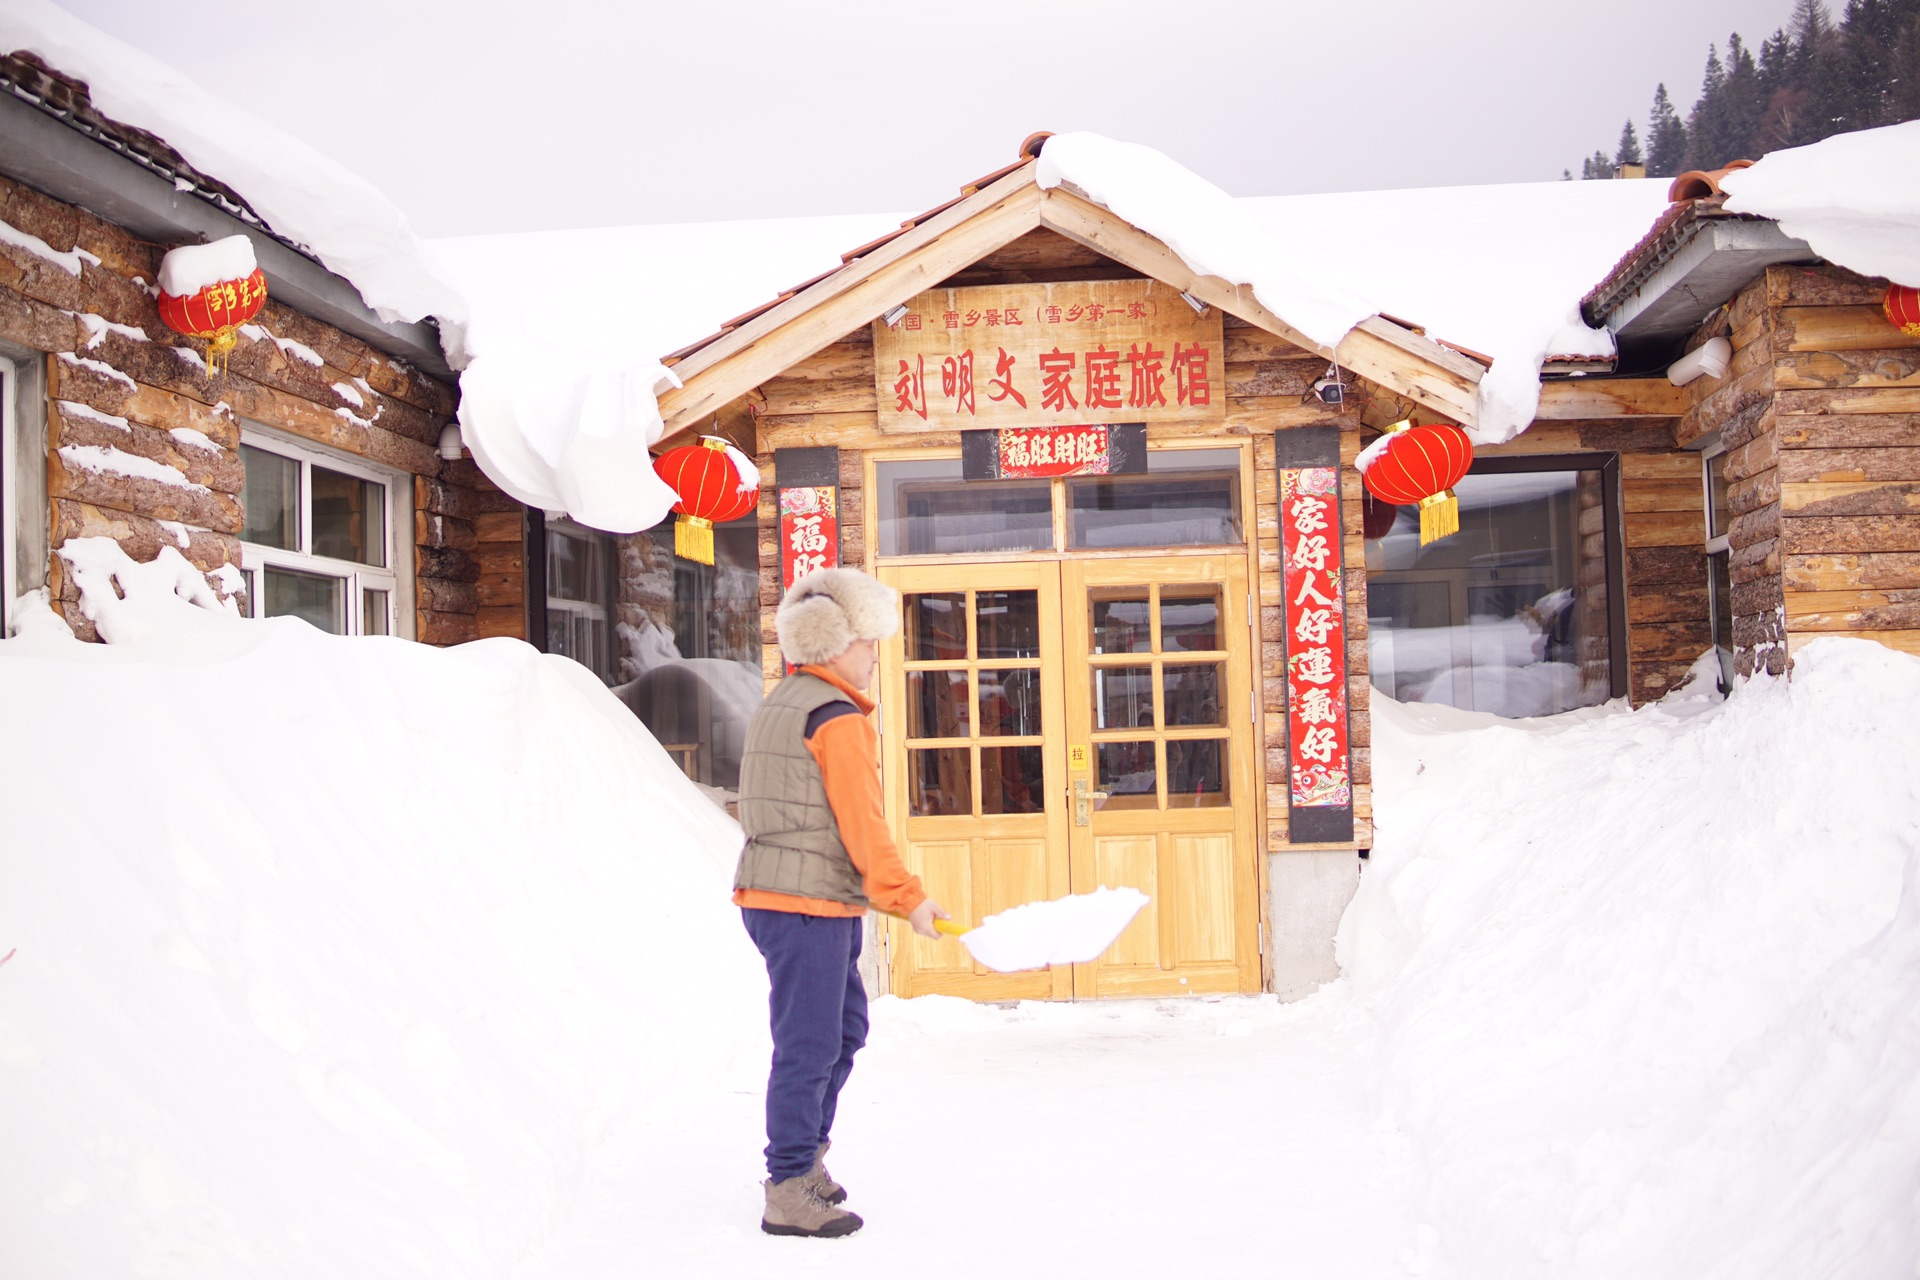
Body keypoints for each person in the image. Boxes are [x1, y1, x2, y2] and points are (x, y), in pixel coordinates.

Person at [733, 567, 948, 1238]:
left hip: (788, 897)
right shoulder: (836, 717)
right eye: (868, 643)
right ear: (833, 643)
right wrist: (906, 898)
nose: (875, 656)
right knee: (810, 1044)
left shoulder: (787, 699)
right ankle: (789, 1182)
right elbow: (863, 823)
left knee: (842, 1032)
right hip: (806, 904)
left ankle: (804, 1161)